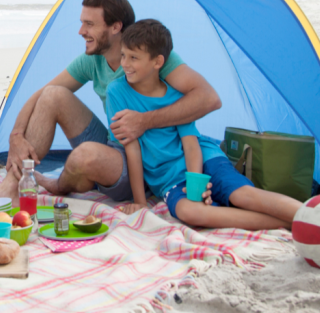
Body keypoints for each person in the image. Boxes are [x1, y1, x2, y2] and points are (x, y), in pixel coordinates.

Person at [0, 0, 222, 207]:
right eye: (81, 22)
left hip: (152, 159)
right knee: (53, 95)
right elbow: (40, 94)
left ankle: (59, 184)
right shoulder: (92, 60)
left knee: (82, 158)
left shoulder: (148, 54)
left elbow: (209, 98)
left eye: (89, 24)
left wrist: (145, 121)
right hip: (117, 150)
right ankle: (12, 186)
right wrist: (16, 135)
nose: (80, 31)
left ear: (115, 27)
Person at [109, 19, 301, 229]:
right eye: (123, 55)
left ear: (157, 62)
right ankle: (292, 223)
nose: (124, 64)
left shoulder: (176, 96)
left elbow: (191, 145)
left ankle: (313, 214)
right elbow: (132, 148)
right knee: (190, 212)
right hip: (169, 178)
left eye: (133, 58)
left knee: (243, 197)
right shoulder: (116, 92)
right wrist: (140, 203)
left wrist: (196, 185)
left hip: (205, 160)